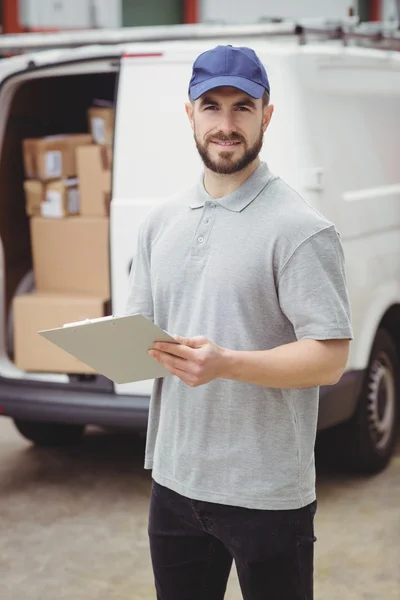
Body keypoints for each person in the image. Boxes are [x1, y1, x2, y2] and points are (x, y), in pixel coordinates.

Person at [126, 44, 353, 600]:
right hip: (175, 483)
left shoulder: (300, 228)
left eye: (242, 108)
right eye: (211, 106)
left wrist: (226, 363)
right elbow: (142, 338)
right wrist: (103, 346)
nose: (225, 125)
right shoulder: (159, 222)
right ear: (190, 114)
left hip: (267, 494)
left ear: (266, 115)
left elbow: (329, 358)